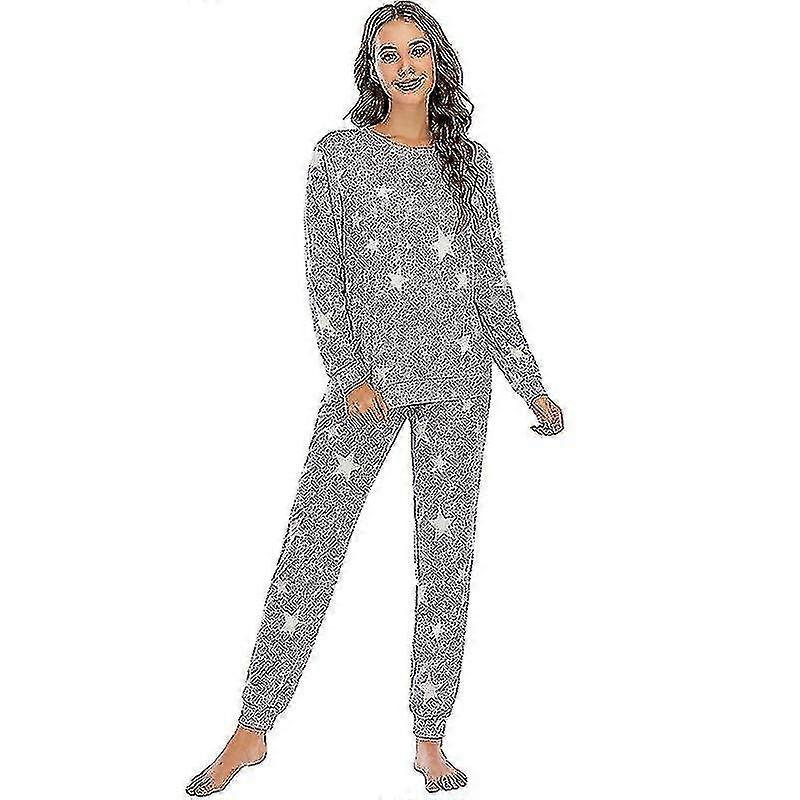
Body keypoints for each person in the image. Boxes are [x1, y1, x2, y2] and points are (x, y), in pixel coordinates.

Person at [186, 2, 564, 795]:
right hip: (368, 388)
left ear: (437, 60)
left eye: (416, 49)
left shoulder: (470, 162)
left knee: (446, 561)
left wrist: (529, 382)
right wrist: (348, 373)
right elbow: (323, 274)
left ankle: (431, 739)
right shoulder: (340, 155)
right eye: (388, 53)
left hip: (460, 381)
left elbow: (491, 279)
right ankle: (252, 727)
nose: (405, 65)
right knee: (312, 544)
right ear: (371, 68)